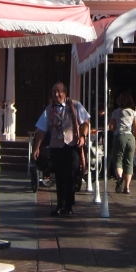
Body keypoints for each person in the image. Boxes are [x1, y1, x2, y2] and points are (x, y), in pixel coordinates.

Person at [33, 82, 89, 216]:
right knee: (59, 177)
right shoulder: (49, 109)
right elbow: (41, 130)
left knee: (71, 176)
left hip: (72, 146)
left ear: (65, 93)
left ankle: (69, 206)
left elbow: (86, 122)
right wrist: (37, 147)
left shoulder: (75, 105)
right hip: (56, 147)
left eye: (59, 92)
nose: (56, 95)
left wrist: (82, 136)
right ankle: (60, 205)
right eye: (53, 92)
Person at [109, 91, 136, 194]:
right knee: (129, 162)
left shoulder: (116, 112)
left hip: (120, 136)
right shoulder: (133, 112)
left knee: (118, 160)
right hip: (130, 137)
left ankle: (119, 178)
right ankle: (127, 187)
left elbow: (111, 127)